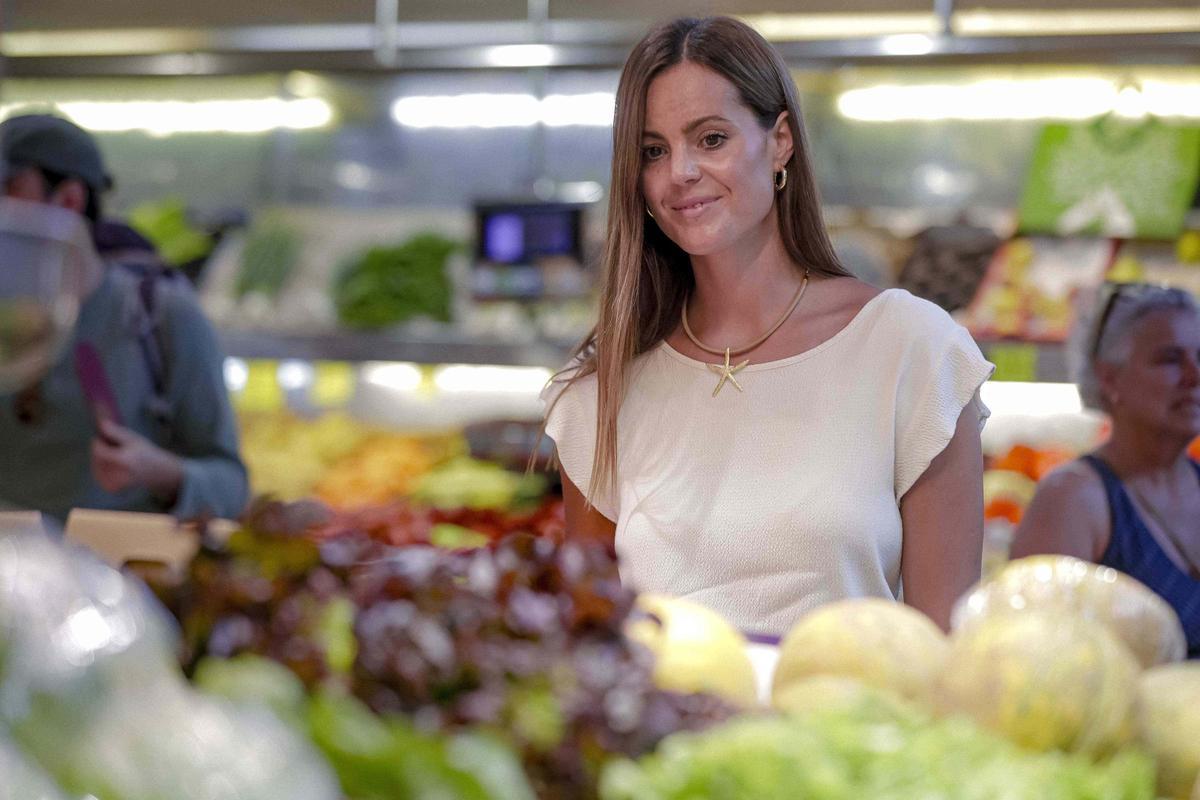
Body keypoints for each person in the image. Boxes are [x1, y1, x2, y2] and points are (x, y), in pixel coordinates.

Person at [542, 16, 994, 635]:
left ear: (780, 142)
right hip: (668, 731)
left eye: (710, 139)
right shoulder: (600, 390)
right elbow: (595, 645)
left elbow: (942, 646)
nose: (680, 172)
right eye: (653, 151)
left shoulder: (912, 349)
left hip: (850, 728)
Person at [0, 113, 249, 523]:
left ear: (69, 201)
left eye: (8, 189)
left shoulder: (159, 314)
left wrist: (163, 472)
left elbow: (232, 487)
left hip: (120, 581)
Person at [1012, 283, 1200, 656]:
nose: (1194, 377)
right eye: (1170, 359)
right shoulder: (1073, 499)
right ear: (1110, 377)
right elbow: (1031, 653)